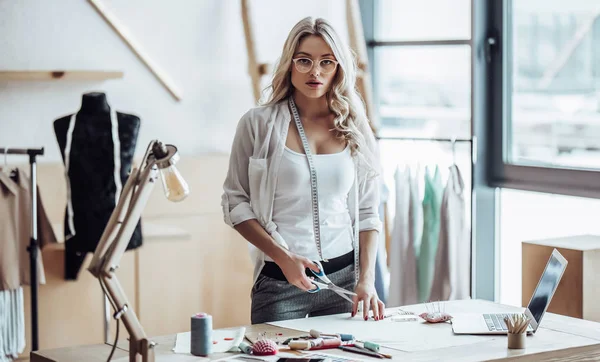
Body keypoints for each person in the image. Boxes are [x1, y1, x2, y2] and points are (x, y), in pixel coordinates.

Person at [221, 16, 384, 324]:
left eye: (326, 62)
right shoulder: (257, 124)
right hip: (280, 282)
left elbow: (367, 212)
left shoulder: (355, 127)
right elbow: (234, 203)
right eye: (305, 60)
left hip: (345, 284)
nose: (315, 71)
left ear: (338, 68)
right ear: (290, 64)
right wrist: (283, 259)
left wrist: (367, 278)